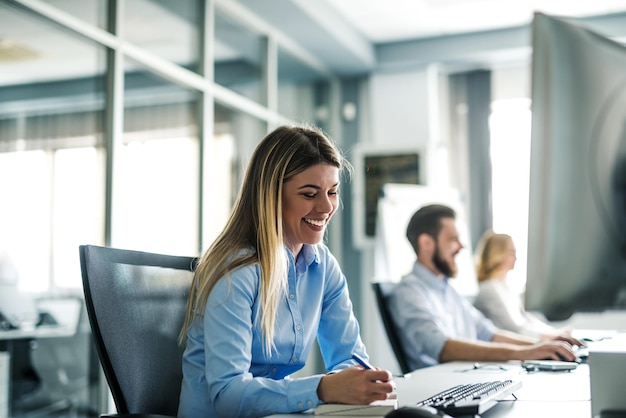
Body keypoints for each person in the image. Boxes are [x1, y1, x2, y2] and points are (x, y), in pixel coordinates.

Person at [177, 125, 394, 418]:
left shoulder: (323, 266)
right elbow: (228, 395)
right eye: (309, 194)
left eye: (332, 192)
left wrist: (358, 384)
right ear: (271, 196)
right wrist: (323, 389)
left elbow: (349, 358)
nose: (326, 206)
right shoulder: (235, 273)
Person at [387, 204, 583, 371]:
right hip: (439, 390)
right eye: (453, 239)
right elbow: (441, 348)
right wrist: (525, 352)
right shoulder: (410, 292)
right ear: (426, 243)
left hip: (468, 377)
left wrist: (542, 346)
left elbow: (488, 333)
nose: (462, 246)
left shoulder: (447, 289)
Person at [473, 230, 576, 341]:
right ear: (498, 254)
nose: (516, 257)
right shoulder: (489, 289)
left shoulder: (506, 288)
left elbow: (526, 320)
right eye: (511, 252)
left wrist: (554, 332)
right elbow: (515, 329)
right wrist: (551, 337)